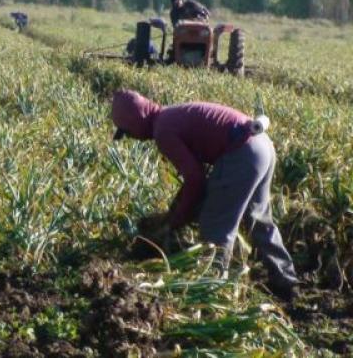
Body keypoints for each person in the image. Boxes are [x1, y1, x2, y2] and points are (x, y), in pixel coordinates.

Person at [111, 89, 299, 302]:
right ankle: (286, 280)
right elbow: (197, 178)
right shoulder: (171, 115)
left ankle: (213, 290)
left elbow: (195, 179)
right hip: (262, 145)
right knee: (259, 219)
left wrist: (177, 219)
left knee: (215, 226)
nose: (133, 138)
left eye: (127, 132)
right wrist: (178, 210)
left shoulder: (163, 131)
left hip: (241, 152)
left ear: (135, 120)